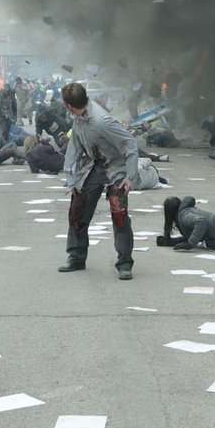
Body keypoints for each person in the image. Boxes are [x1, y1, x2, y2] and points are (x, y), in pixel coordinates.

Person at [58, 82, 139, 280]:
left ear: (69, 106)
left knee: (119, 212)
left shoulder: (103, 121)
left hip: (115, 168)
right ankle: (76, 257)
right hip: (93, 166)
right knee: (77, 208)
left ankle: (124, 263)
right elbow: (74, 147)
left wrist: (131, 177)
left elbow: (129, 142)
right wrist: (71, 178)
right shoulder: (78, 118)